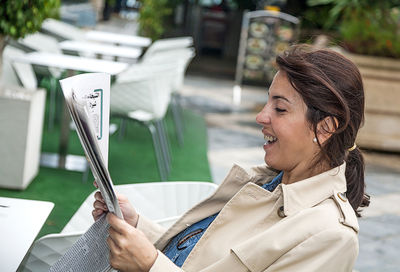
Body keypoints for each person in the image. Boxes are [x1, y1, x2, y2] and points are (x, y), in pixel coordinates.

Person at [92, 44, 370, 272]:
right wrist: (137, 225)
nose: (261, 116)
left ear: (325, 128)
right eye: (267, 101)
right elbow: (194, 259)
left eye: (280, 108)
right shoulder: (264, 184)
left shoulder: (331, 236)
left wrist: (148, 266)